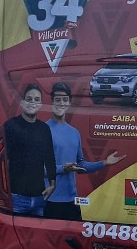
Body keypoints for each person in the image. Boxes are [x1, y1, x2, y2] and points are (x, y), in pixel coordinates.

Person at [45, 82, 126, 220]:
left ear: (69, 102)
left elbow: (80, 165)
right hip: (50, 201)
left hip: (72, 201)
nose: (61, 103)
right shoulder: (43, 131)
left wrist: (104, 163)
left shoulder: (74, 132)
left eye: (64, 99)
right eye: (57, 99)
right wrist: (63, 168)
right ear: (52, 102)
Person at [3, 84, 56, 216]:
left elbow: (49, 157)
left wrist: (52, 184)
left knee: (37, 236)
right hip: (16, 198)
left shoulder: (44, 129)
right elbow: (2, 160)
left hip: (39, 198)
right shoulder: (10, 126)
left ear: (40, 104)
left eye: (36, 99)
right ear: (21, 102)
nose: (32, 102)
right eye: (29, 99)